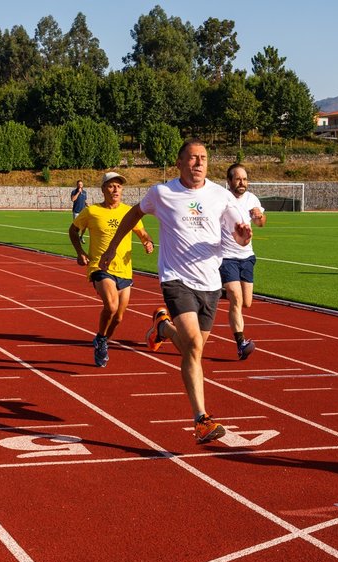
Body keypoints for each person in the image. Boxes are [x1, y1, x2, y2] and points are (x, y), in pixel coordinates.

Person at [99, 140, 252, 444]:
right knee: (194, 344)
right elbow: (133, 215)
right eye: (193, 158)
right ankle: (201, 420)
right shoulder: (162, 193)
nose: (198, 163)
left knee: (193, 351)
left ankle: (163, 327)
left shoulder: (221, 196)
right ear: (180, 162)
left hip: (210, 282)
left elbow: (239, 232)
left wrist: (244, 237)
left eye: (204, 158)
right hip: (175, 279)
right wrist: (113, 246)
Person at [69, 171, 154, 368]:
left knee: (119, 317)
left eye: (119, 186)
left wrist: (147, 242)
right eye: (111, 186)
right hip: (100, 267)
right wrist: (80, 252)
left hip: (124, 270)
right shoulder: (91, 212)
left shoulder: (129, 212)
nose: (116, 189)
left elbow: (142, 233)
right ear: (103, 189)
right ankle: (101, 340)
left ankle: (101, 340)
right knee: (112, 305)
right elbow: (73, 231)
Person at [221, 163, 266, 360]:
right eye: (238, 179)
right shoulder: (221, 199)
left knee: (246, 302)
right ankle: (241, 343)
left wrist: (259, 217)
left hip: (247, 256)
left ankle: (217, 291)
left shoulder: (252, 198)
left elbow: (261, 223)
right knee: (237, 299)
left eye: (245, 179)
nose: (242, 182)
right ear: (229, 181)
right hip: (226, 256)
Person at [70, 179, 88, 244]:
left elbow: (85, 201)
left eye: (81, 184)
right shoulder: (74, 192)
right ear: (77, 185)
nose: (80, 185)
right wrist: (78, 193)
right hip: (76, 212)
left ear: (82, 185)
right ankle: (75, 239)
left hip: (83, 212)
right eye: (79, 184)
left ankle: (81, 236)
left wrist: (88, 206)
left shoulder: (85, 192)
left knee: (84, 226)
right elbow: (73, 199)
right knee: (76, 227)